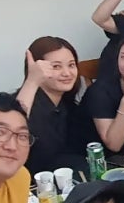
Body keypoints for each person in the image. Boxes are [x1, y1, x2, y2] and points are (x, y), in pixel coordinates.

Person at [17, 35, 85, 174]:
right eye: (56, 66)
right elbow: (14, 126)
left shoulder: (67, 105)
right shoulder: (23, 104)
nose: (67, 73)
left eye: (71, 65)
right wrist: (32, 81)